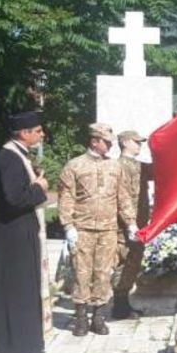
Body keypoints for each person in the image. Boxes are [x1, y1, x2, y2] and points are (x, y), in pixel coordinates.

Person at [0, 111, 50, 353]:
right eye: (38, 130)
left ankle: (16, 339)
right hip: (13, 234)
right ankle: (15, 345)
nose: (42, 134)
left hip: (17, 231)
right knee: (16, 287)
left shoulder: (17, 154)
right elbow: (13, 199)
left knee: (18, 286)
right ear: (24, 133)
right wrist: (39, 189)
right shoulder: (9, 157)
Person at [58, 123, 136, 337]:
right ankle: (81, 318)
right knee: (81, 273)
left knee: (103, 273)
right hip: (82, 228)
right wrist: (68, 226)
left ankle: (99, 317)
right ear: (94, 141)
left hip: (108, 229)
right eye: (106, 142)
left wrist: (130, 223)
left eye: (111, 142)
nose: (110, 146)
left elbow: (123, 196)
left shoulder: (115, 167)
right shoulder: (74, 166)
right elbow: (66, 198)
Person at [112, 130, 151, 318]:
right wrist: (129, 224)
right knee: (123, 262)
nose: (140, 145)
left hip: (139, 223)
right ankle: (118, 304)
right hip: (124, 225)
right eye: (136, 142)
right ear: (125, 142)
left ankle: (123, 303)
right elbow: (122, 198)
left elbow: (161, 170)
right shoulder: (117, 166)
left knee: (134, 262)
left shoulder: (139, 166)